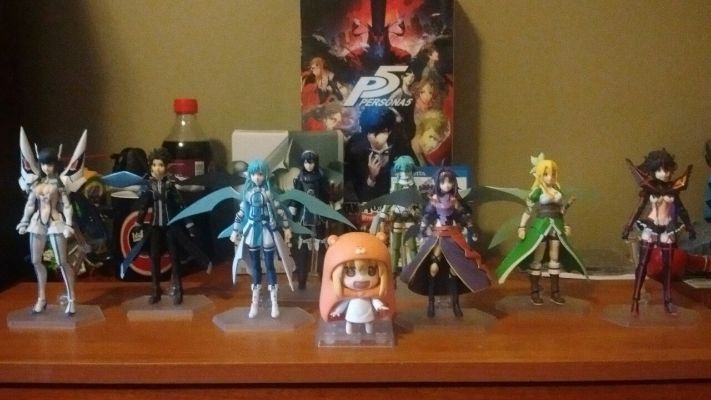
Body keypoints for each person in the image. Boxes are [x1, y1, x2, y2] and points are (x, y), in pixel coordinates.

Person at [495, 155, 586, 306]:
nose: (550, 177)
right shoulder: (537, 192)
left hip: (555, 226)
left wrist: (566, 218)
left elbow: (560, 212)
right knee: (537, 258)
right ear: (540, 175)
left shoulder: (557, 191)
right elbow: (528, 211)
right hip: (541, 227)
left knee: (555, 258)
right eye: (546, 174)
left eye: (553, 174)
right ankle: (534, 292)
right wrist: (521, 227)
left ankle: (555, 292)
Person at [401, 168, 490, 317]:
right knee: (433, 269)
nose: (447, 185)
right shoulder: (434, 200)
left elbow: (464, 216)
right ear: (438, 183)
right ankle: (431, 303)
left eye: (450, 182)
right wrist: (422, 230)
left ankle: (456, 304)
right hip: (437, 236)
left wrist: (471, 229)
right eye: (443, 182)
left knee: (454, 271)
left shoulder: (454, 200)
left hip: (452, 236)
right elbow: (427, 216)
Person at [135, 148, 211, 305]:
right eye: (154, 165)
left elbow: (181, 206)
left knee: (175, 257)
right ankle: (155, 289)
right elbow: (144, 206)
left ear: (166, 166)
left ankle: (177, 288)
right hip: (155, 226)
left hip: (171, 226)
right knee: (154, 257)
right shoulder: (149, 186)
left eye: (161, 165)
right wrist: (138, 222)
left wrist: (189, 224)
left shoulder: (171, 186)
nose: (157, 168)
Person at [622, 149, 694, 315]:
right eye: (661, 169)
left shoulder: (674, 189)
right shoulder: (649, 189)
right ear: (653, 170)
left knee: (668, 266)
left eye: (667, 169)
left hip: (667, 227)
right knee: (643, 263)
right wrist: (628, 226)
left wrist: (689, 226)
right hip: (651, 226)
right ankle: (635, 298)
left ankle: (668, 300)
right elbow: (639, 209)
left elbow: (681, 210)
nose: (665, 173)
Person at [17, 139, 77, 316]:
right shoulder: (36, 183)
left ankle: (71, 298)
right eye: (43, 164)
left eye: (49, 164)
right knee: (36, 261)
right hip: (37, 222)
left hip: (55, 221)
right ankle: (41, 298)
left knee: (62, 262)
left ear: (55, 164)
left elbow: (67, 205)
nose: (46, 168)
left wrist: (68, 224)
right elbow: (30, 204)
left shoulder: (60, 182)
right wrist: (24, 221)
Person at [231, 160, 294, 318]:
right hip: (253, 231)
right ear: (249, 175)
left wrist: (287, 228)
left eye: (260, 174)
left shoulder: (269, 193)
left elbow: (280, 212)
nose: (257, 177)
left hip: (267, 230)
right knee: (255, 267)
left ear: (265, 175)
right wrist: (235, 230)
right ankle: (254, 302)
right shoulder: (248, 194)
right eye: (254, 174)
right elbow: (241, 214)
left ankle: (274, 302)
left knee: (270, 265)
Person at [319, 232, 395, 335]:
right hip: (351, 315)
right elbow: (343, 304)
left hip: (368, 314)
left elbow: (376, 302)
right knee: (349, 323)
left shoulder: (373, 295)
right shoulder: (346, 296)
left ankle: (369, 333)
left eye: (371, 271)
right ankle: (349, 332)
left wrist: (380, 306)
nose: (361, 279)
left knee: (369, 323)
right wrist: (337, 311)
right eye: (350, 272)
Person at [289, 150, 330, 289]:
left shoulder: (321, 177)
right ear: (303, 163)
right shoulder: (300, 178)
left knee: (321, 245)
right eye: (306, 162)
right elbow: (296, 196)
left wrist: (328, 209)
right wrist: (293, 207)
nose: (309, 165)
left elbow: (325, 195)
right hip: (304, 215)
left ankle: (324, 277)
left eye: (311, 162)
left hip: (319, 215)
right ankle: (302, 279)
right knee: (303, 247)